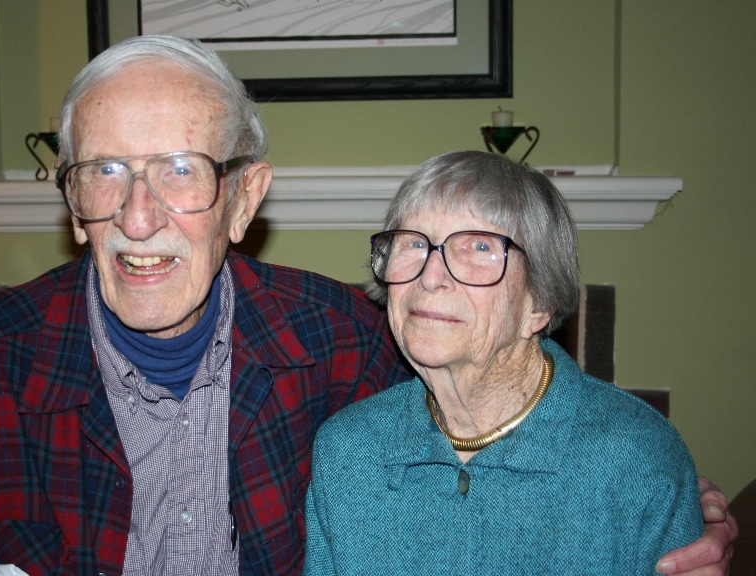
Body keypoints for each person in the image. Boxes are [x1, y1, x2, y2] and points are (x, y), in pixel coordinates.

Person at [0, 36, 735, 576]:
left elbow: (494, 371)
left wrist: (663, 497)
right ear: (73, 202)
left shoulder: (335, 339)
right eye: (105, 172)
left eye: (180, 170)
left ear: (243, 196)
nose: (137, 216)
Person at [303, 150, 728, 575]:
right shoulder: (349, 450)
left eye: (480, 246)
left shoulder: (635, 458)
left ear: (540, 303)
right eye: (414, 243)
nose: (430, 276)